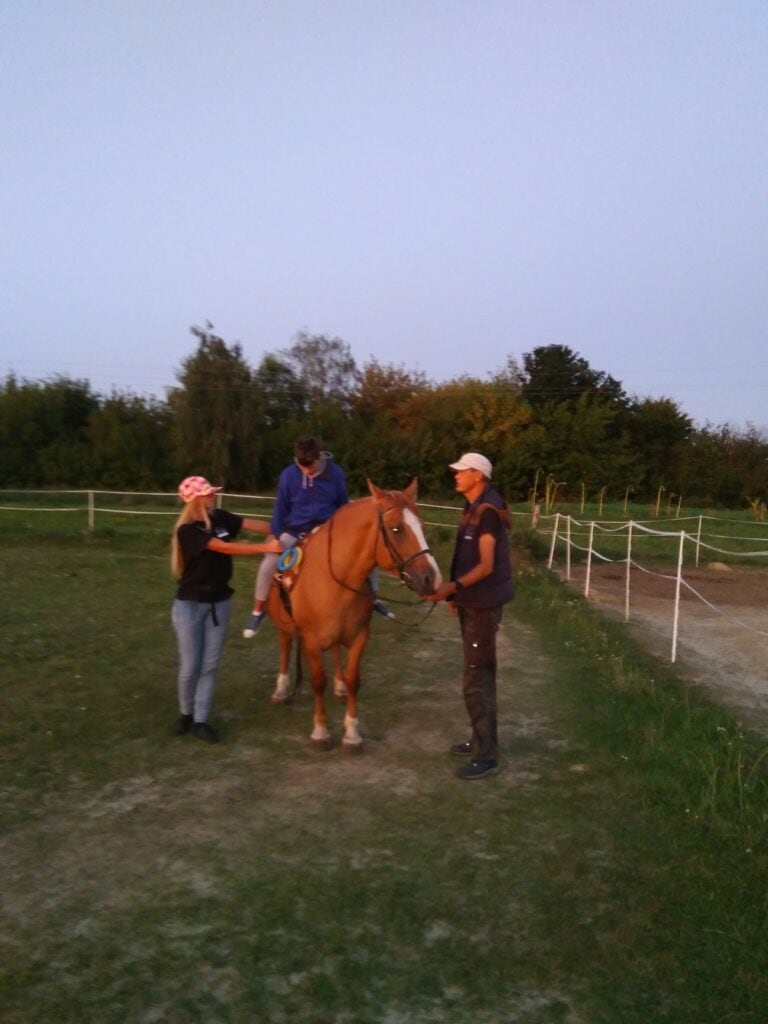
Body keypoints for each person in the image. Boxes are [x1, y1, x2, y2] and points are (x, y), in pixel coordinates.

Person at [243, 436, 393, 638]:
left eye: (311, 467)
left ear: (319, 457)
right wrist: (276, 537)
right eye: (302, 467)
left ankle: (373, 598)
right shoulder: (289, 475)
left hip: (327, 529)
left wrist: (346, 531)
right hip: (295, 530)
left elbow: (342, 505)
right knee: (268, 564)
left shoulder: (335, 473)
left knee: (367, 556)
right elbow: (281, 509)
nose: (307, 471)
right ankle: (258, 611)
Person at [171, 475, 282, 743]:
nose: (213, 496)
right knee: (190, 666)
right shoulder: (188, 530)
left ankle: (200, 720)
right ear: (195, 499)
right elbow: (224, 548)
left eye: (212, 492)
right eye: (207, 493)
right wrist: (266, 548)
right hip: (190, 605)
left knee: (210, 665)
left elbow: (253, 524)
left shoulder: (220, 517)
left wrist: (286, 529)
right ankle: (186, 714)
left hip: (220, 602)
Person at [426, 452, 514, 780]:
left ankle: (487, 757)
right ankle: (479, 740)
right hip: (472, 601)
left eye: (462, 471)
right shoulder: (474, 507)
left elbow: (486, 565)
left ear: (478, 475)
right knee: (476, 674)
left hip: (482, 605)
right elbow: (467, 556)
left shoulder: (487, 511)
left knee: (478, 677)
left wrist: (453, 587)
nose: (456, 475)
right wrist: (457, 596)